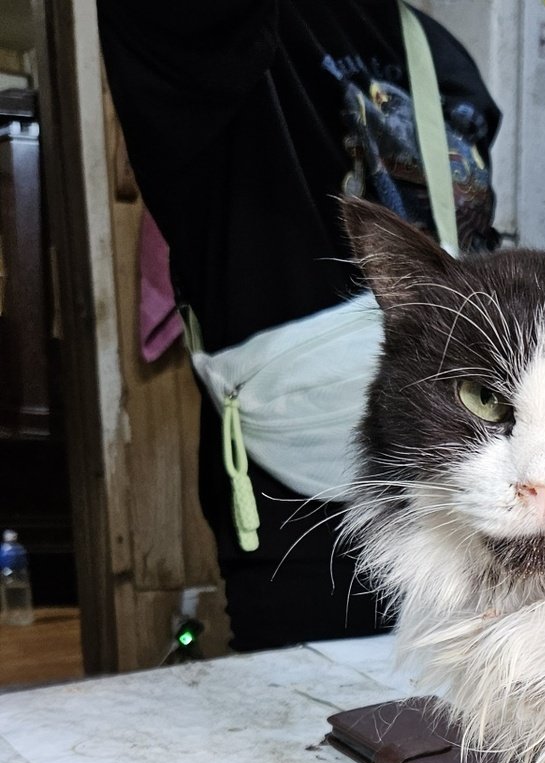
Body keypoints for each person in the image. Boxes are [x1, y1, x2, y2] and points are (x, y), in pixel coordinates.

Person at [98, 0, 500, 651]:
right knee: (316, 730)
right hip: (302, 518)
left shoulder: (436, 53)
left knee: (465, 725)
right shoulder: (202, 27)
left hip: (462, 488)